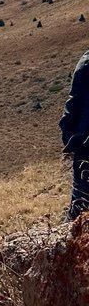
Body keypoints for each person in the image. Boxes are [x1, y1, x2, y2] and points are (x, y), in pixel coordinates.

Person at [61, 51, 89, 220]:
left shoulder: (86, 61)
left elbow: (73, 103)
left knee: (80, 205)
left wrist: (70, 136)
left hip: (83, 142)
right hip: (84, 142)